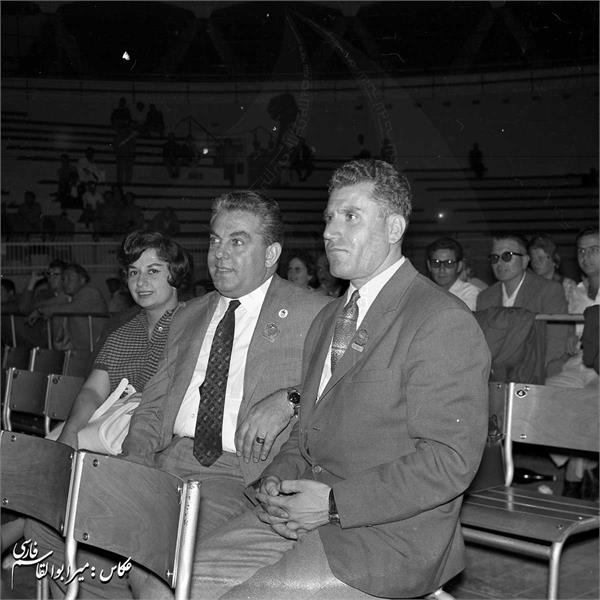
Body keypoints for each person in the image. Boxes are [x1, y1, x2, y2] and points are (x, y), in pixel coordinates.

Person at [190, 159, 490, 599]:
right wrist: (276, 481)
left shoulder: (439, 319)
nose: (331, 231)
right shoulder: (329, 318)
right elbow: (306, 436)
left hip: (386, 538)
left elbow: (449, 461)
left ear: (394, 227)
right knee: (183, 580)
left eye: (351, 216)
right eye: (330, 217)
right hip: (303, 514)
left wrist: (332, 504)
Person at [17, 231, 192, 578]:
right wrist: (70, 432)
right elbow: (93, 393)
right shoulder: (122, 332)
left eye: (153, 271)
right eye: (133, 272)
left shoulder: (193, 324)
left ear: (175, 273)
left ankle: (21, 543)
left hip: (157, 434)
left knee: (52, 474)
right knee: (46, 454)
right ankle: (33, 545)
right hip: (111, 424)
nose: (140, 282)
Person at [546, 226, 599, 500]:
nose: (585, 257)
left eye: (594, 250)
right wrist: (570, 337)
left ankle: (574, 475)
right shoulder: (575, 292)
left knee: (591, 403)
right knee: (545, 395)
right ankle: (584, 464)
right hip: (578, 363)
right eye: (581, 251)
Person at [476, 233, 569, 378]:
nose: (499, 263)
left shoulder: (549, 290)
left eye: (507, 256)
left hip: (541, 371)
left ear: (525, 261)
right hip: (496, 375)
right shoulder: (485, 297)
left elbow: (556, 344)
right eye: (494, 258)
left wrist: (522, 374)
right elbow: (482, 347)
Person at [30, 263, 108, 351]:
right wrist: (36, 308)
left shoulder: (91, 292)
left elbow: (73, 308)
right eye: (64, 279)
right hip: (81, 350)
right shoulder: (69, 295)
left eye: (70, 279)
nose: (65, 283)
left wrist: (41, 311)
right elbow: (47, 304)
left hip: (98, 350)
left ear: (82, 280)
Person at [426, 236, 480, 310]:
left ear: (459, 266)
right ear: (429, 265)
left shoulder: (469, 293)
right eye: (436, 263)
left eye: (448, 263)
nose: (442, 269)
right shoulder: (425, 293)